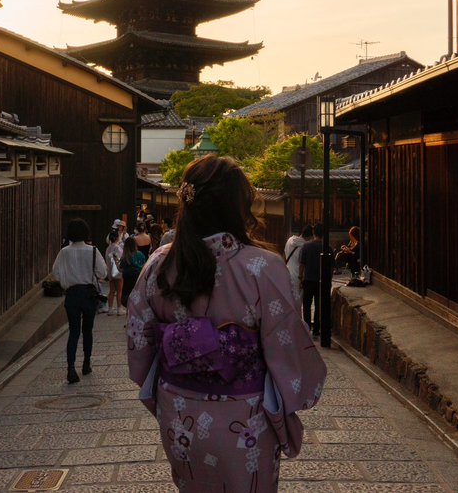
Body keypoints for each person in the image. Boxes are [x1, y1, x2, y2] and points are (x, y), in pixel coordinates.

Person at [127, 155, 327, 492]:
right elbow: (288, 344)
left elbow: (139, 341)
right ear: (237, 206)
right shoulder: (262, 268)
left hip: (178, 411)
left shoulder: (159, 264)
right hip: (244, 417)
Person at [52, 218, 108, 383]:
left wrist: (66, 280)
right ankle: (86, 363)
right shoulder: (93, 251)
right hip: (88, 294)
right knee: (87, 330)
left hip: (71, 294)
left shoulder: (64, 252)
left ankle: (70, 368)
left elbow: (55, 273)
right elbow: (102, 272)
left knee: (73, 332)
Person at [299, 228, 323, 337]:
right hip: (320, 280)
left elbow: (302, 264)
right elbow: (331, 267)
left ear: (314, 233)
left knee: (307, 305)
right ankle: (317, 329)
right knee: (319, 305)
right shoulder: (327, 247)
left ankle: (307, 327)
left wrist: (300, 277)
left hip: (308, 279)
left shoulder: (306, 246)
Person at [118, 236, 146, 314]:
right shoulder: (140, 254)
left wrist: (116, 262)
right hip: (138, 279)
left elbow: (120, 269)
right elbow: (144, 265)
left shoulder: (126, 257)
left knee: (127, 300)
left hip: (127, 282)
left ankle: (128, 316)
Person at [283, 225, 308, 303]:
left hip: (287, 272)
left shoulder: (290, 240)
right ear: (310, 236)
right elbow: (303, 262)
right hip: (298, 274)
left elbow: (284, 254)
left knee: (288, 298)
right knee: (298, 299)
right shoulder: (306, 246)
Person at [105, 230, 124, 315]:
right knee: (119, 290)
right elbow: (120, 259)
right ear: (117, 238)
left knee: (112, 290)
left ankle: (110, 308)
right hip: (117, 271)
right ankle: (119, 308)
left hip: (110, 270)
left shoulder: (108, 248)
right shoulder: (118, 248)